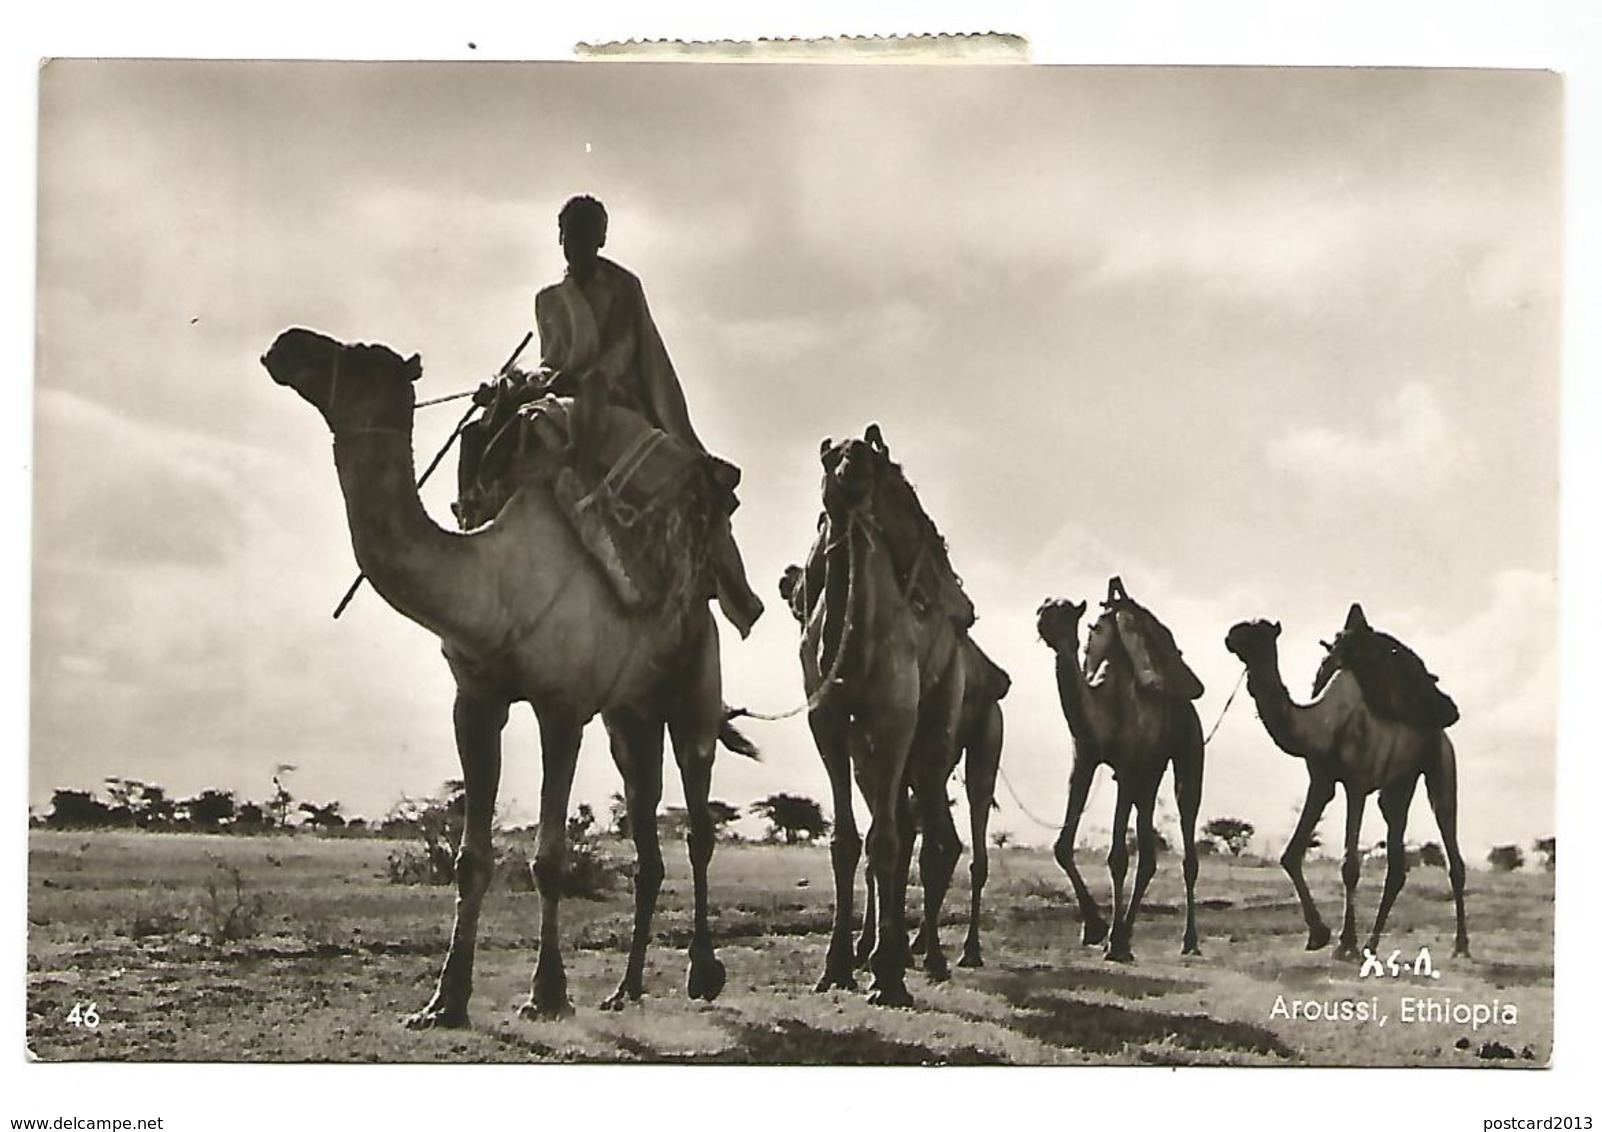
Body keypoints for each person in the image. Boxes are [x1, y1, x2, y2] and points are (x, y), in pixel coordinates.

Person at [470, 195, 764, 638]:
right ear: (560, 238)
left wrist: (571, 378)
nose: (577, 244)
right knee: (487, 426)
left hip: (614, 394)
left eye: (587, 235)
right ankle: (479, 510)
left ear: (601, 238)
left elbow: (625, 349)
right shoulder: (549, 299)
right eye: (570, 235)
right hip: (563, 392)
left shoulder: (624, 287)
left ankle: (583, 482)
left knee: (590, 394)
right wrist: (514, 382)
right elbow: (551, 358)